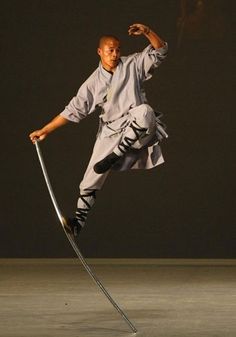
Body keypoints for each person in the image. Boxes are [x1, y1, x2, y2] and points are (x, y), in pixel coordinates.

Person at [29, 23, 168, 237]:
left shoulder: (132, 64)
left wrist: (148, 32)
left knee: (146, 111)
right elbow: (73, 110)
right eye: (110, 50)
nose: (114, 54)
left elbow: (160, 51)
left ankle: (116, 155)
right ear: (100, 52)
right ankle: (78, 224)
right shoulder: (93, 83)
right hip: (111, 131)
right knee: (90, 177)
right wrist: (45, 129)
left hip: (137, 127)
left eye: (117, 50)